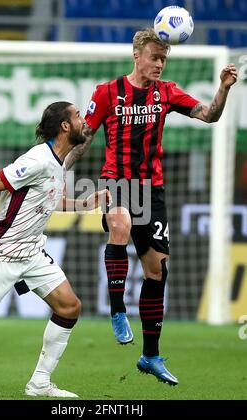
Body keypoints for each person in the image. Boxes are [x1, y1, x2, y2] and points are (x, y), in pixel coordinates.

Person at [64, 28, 238, 386]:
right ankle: (116, 312)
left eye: (163, 59)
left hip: (152, 189)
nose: (159, 64)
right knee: (120, 224)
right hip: (116, 181)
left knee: (157, 271)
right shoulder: (108, 92)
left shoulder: (167, 92)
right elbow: (85, 141)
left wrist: (223, 88)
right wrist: (58, 168)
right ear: (137, 55)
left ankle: (151, 355)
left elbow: (208, 115)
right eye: (154, 57)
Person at [0, 101, 111, 398]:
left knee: (69, 306)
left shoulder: (58, 162)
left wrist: (85, 204)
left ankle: (39, 384)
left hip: (32, 253)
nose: (83, 120)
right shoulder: (37, 160)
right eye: (77, 116)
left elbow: (48, 200)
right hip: (1, 251)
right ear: (64, 126)